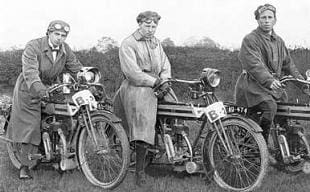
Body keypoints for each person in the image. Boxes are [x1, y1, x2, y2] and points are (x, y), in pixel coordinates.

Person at [7, 20, 82, 179]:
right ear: (48, 32)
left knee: (66, 118)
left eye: (63, 35)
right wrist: (41, 91)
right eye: (56, 34)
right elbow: (31, 73)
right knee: (32, 125)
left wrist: (88, 80)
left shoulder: (65, 49)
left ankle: (60, 157)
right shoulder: (33, 46)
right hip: (29, 89)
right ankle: (25, 166)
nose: (60, 38)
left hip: (51, 88)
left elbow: (76, 68)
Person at [113, 11, 175, 186]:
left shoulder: (156, 43)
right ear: (139, 24)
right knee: (143, 122)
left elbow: (165, 65)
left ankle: (173, 150)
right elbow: (133, 73)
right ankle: (139, 172)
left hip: (158, 83)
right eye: (147, 25)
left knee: (176, 109)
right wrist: (155, 81)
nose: (151, 29)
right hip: (137, 86)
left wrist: (165, 81)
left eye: (154, 26)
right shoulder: (128, 43)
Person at [234, 4, 305, 156]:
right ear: (258, 20)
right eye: (263, 17)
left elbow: (289, 65)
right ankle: (258, 148)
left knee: (287, 109)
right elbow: (254, 65)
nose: (266, 21)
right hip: (252, 86)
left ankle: (288, 151)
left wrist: (303, 85)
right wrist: (269, 80)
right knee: (270, 106)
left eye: (269, 17)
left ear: (275, 20)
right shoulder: (250, 40)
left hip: (273, 87)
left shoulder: (279, 41)